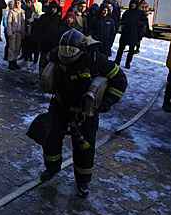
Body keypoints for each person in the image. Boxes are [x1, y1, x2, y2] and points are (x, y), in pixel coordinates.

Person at [38, 29, 127, 198]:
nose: (66, 56)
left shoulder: (96, 61)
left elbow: (120, 80)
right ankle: (51, 168)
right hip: (60, 105)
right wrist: (45, 75)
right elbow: (47, 61)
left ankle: (82, 180)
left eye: (70, 53)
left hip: (84, 112)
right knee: (51, 139)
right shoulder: (58, 53)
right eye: (63, 52)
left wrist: (106, 102)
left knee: (84, 147)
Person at [114, 0, 147, 69]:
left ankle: (128, 63)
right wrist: (124, 23)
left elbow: (144, 22)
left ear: (137, 5)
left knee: (131, 50)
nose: (133, 5)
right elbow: (122, 20)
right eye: (132, 3)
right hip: (126, 32)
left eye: (134, 4)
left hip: (134, 34)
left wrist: (138, 23)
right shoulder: (127, 12)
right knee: (121, 48)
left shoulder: (140, 13)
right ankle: (117, 61)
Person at [36, 0, 62, 74]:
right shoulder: (44, 17)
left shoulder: (58, 17)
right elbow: (39, 28)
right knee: (44, 57)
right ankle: (41, 71)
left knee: (52, 58)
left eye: (55, 8)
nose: (54, 10)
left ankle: (50, 73)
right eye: (52, 8)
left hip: (54, 41)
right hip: (45, 41)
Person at [7, 0, 25, 70]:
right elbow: (9, 23)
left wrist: (23, 32)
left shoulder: (22, 12)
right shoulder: (12, 12)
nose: (17, 4)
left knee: (17, 48)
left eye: (19, 3)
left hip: (19, 32)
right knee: (12, 48)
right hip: (13, 32)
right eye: (16, 3)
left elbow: (23, 23)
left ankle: (15, 61)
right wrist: (10, 33)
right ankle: (10, 62)